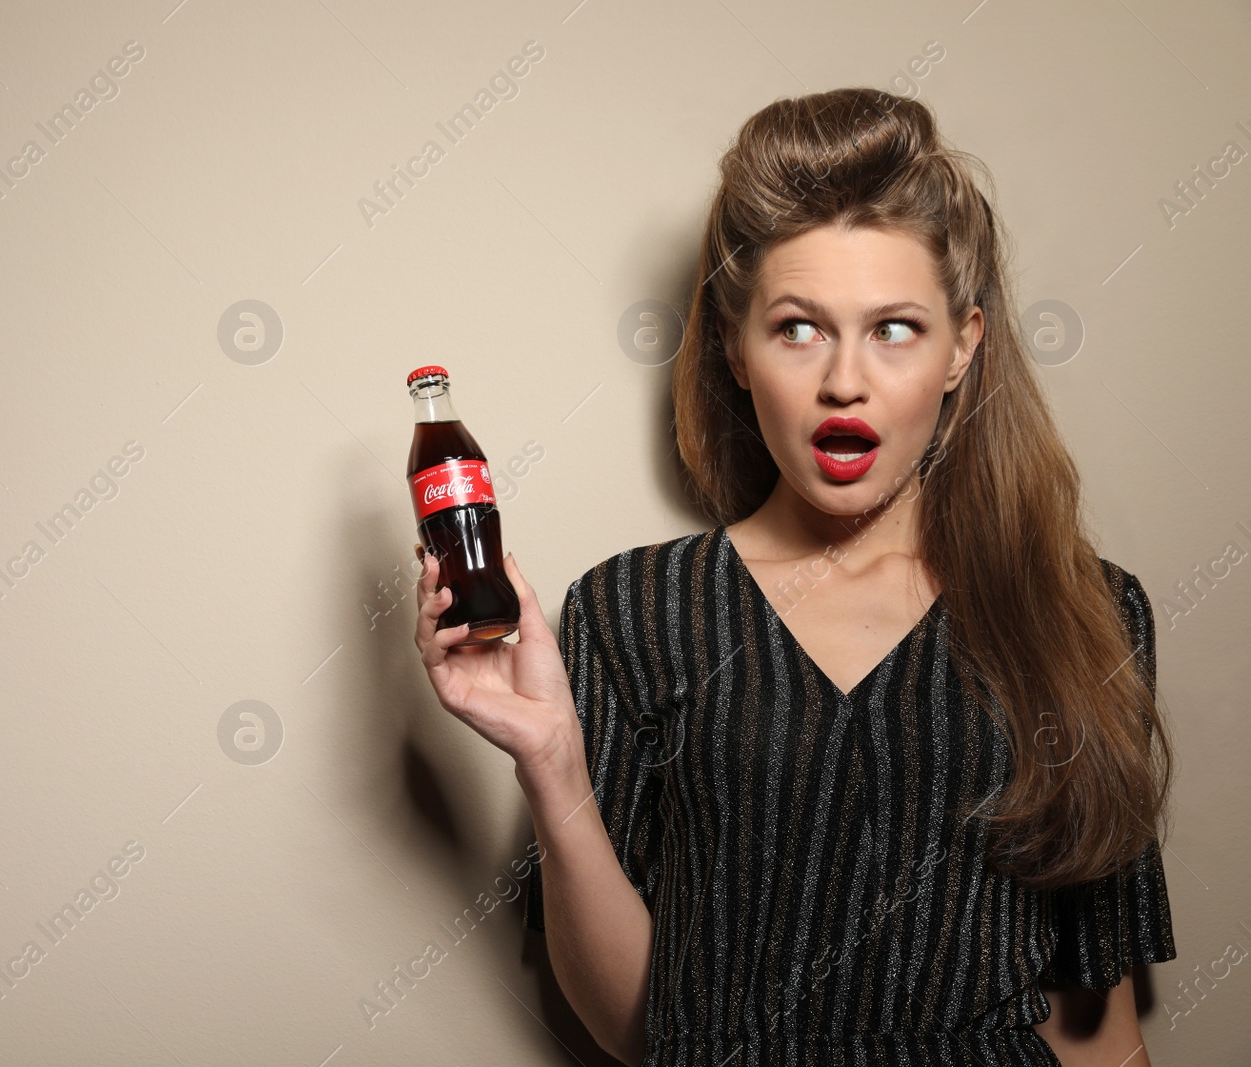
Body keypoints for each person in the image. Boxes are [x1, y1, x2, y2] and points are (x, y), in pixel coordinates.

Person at [412, 86, 1177, 1066]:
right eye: (798, 328)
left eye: (894, 327)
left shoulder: (1089, 612)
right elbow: (643, 1026)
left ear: (962, 349)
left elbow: (1098, 1033)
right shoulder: (630, 611)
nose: (844, 380)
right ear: (734, 349)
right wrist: (549, 758)